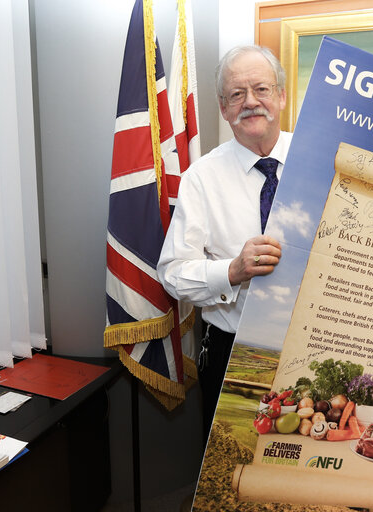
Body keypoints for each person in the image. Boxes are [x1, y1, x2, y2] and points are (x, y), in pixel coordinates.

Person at [157, 45, 289, 440]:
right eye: (236, 94)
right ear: (223, 107)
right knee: (231, 473)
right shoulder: (202, 178)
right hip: (234, 354)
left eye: (261, 89)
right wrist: (232, 271)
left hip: (317, 342)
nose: (250, 102)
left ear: (281, 96)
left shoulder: (324, 160)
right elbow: (172, 274)